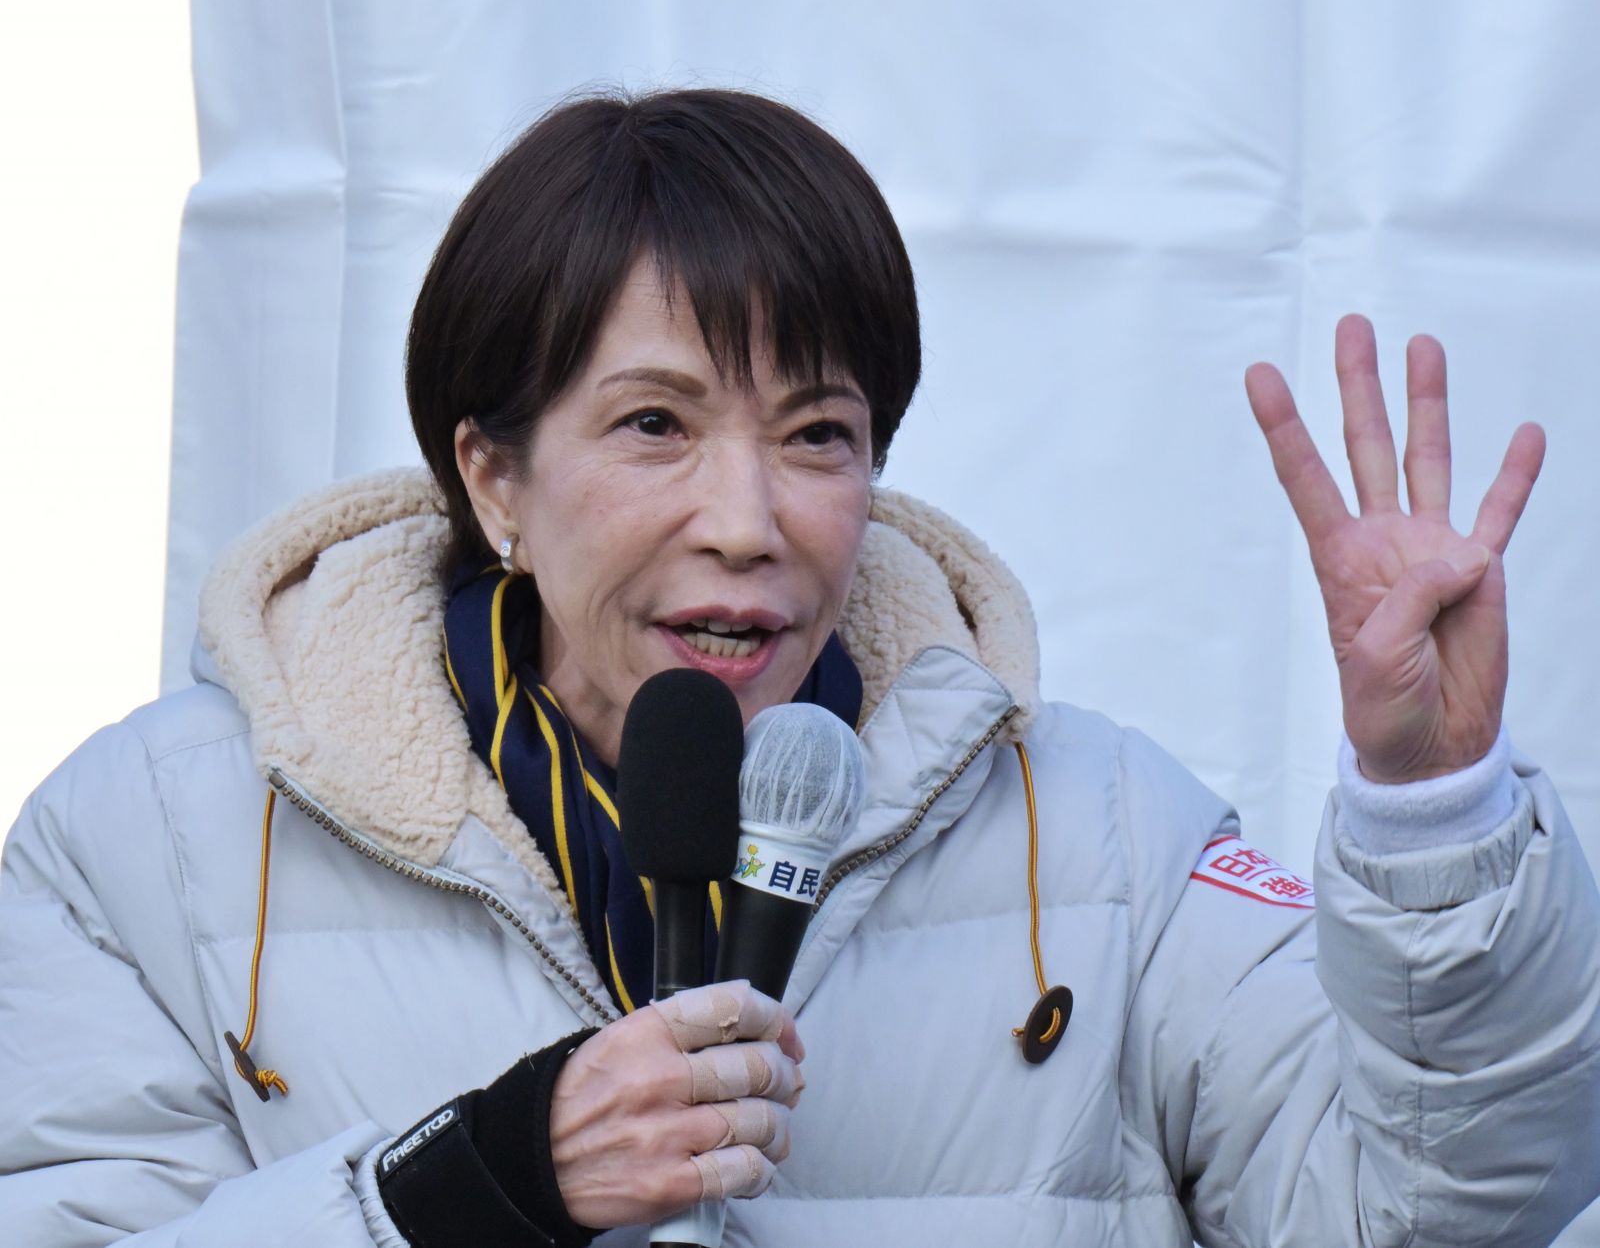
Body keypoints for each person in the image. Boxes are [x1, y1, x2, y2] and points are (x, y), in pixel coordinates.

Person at [2, 87, 1597, 1248]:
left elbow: (1429, 1210)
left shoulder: (1108, 838)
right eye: (655, 424)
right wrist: (477, 1180)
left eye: (818, 433)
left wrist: (1433, 807)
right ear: (493, 477)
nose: (748, 520)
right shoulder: (148, 850)